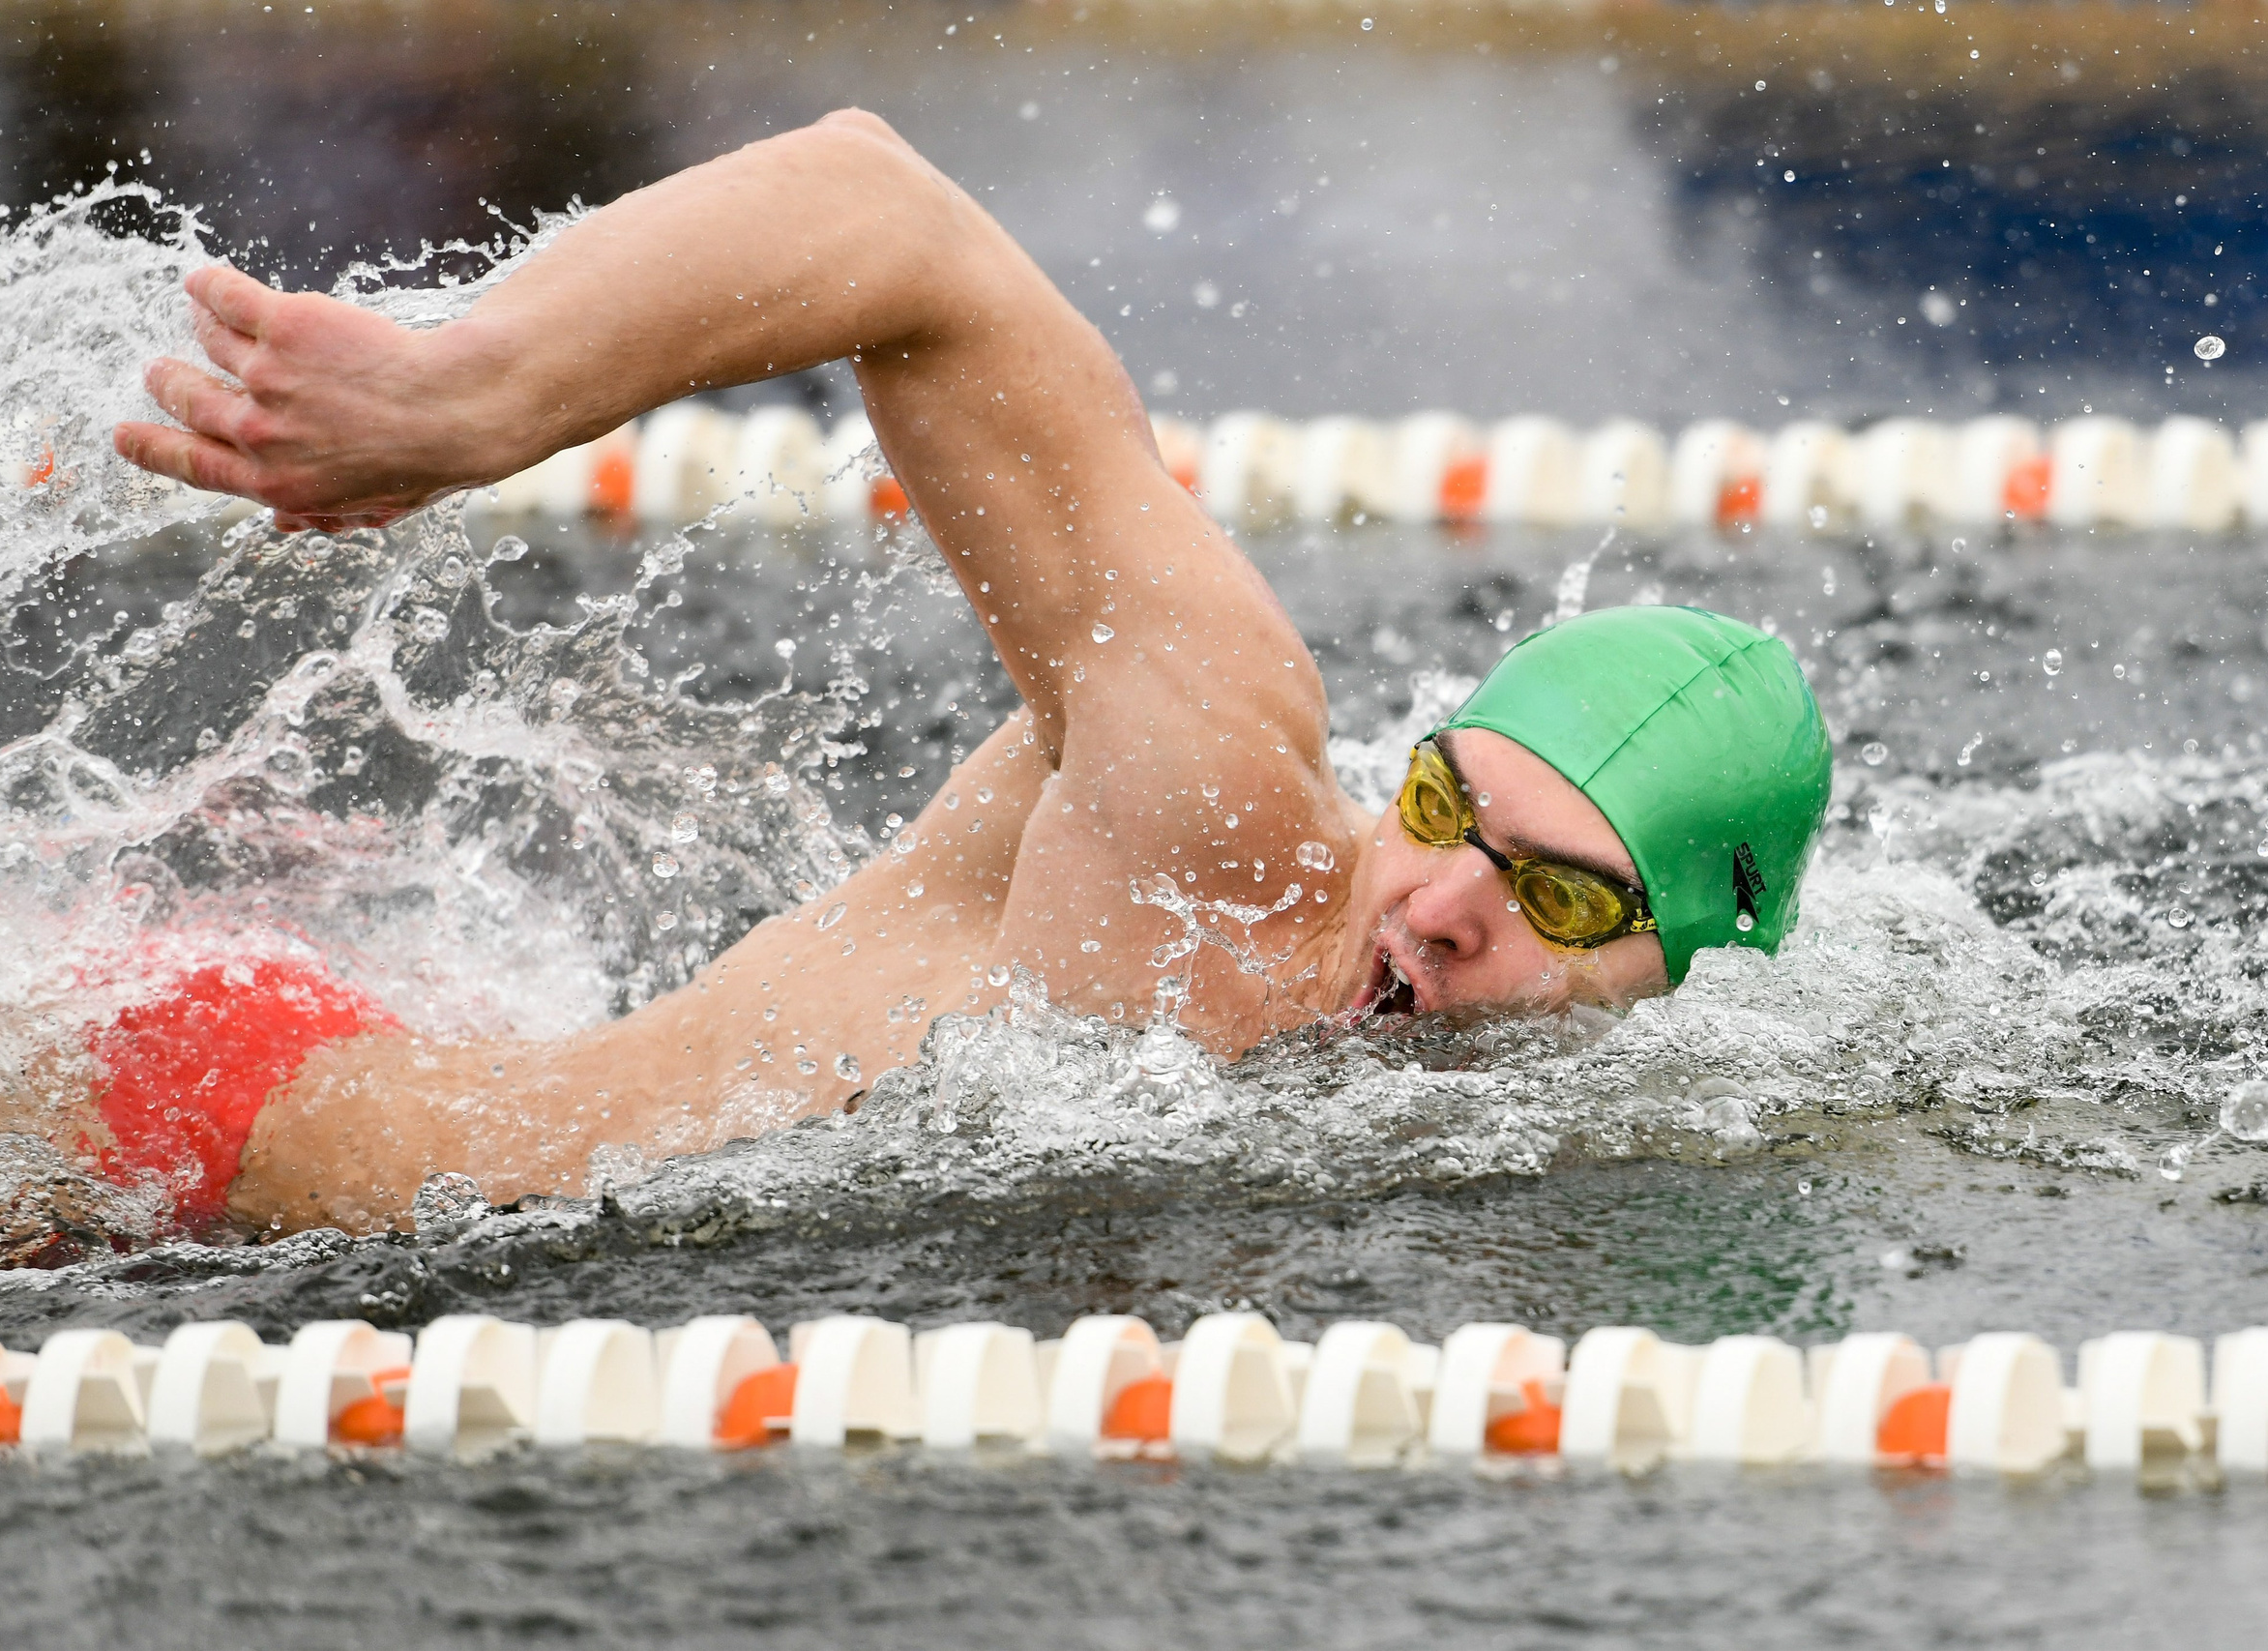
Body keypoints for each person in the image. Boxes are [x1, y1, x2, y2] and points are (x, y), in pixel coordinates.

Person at [108, 110, 1832, 1237]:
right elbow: (885, 212)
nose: (1444, 902)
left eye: (1564, 898)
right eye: (1449, 802)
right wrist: (470, 394)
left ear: (1693, 965)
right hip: (193, 1135)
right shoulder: (1220, 827)